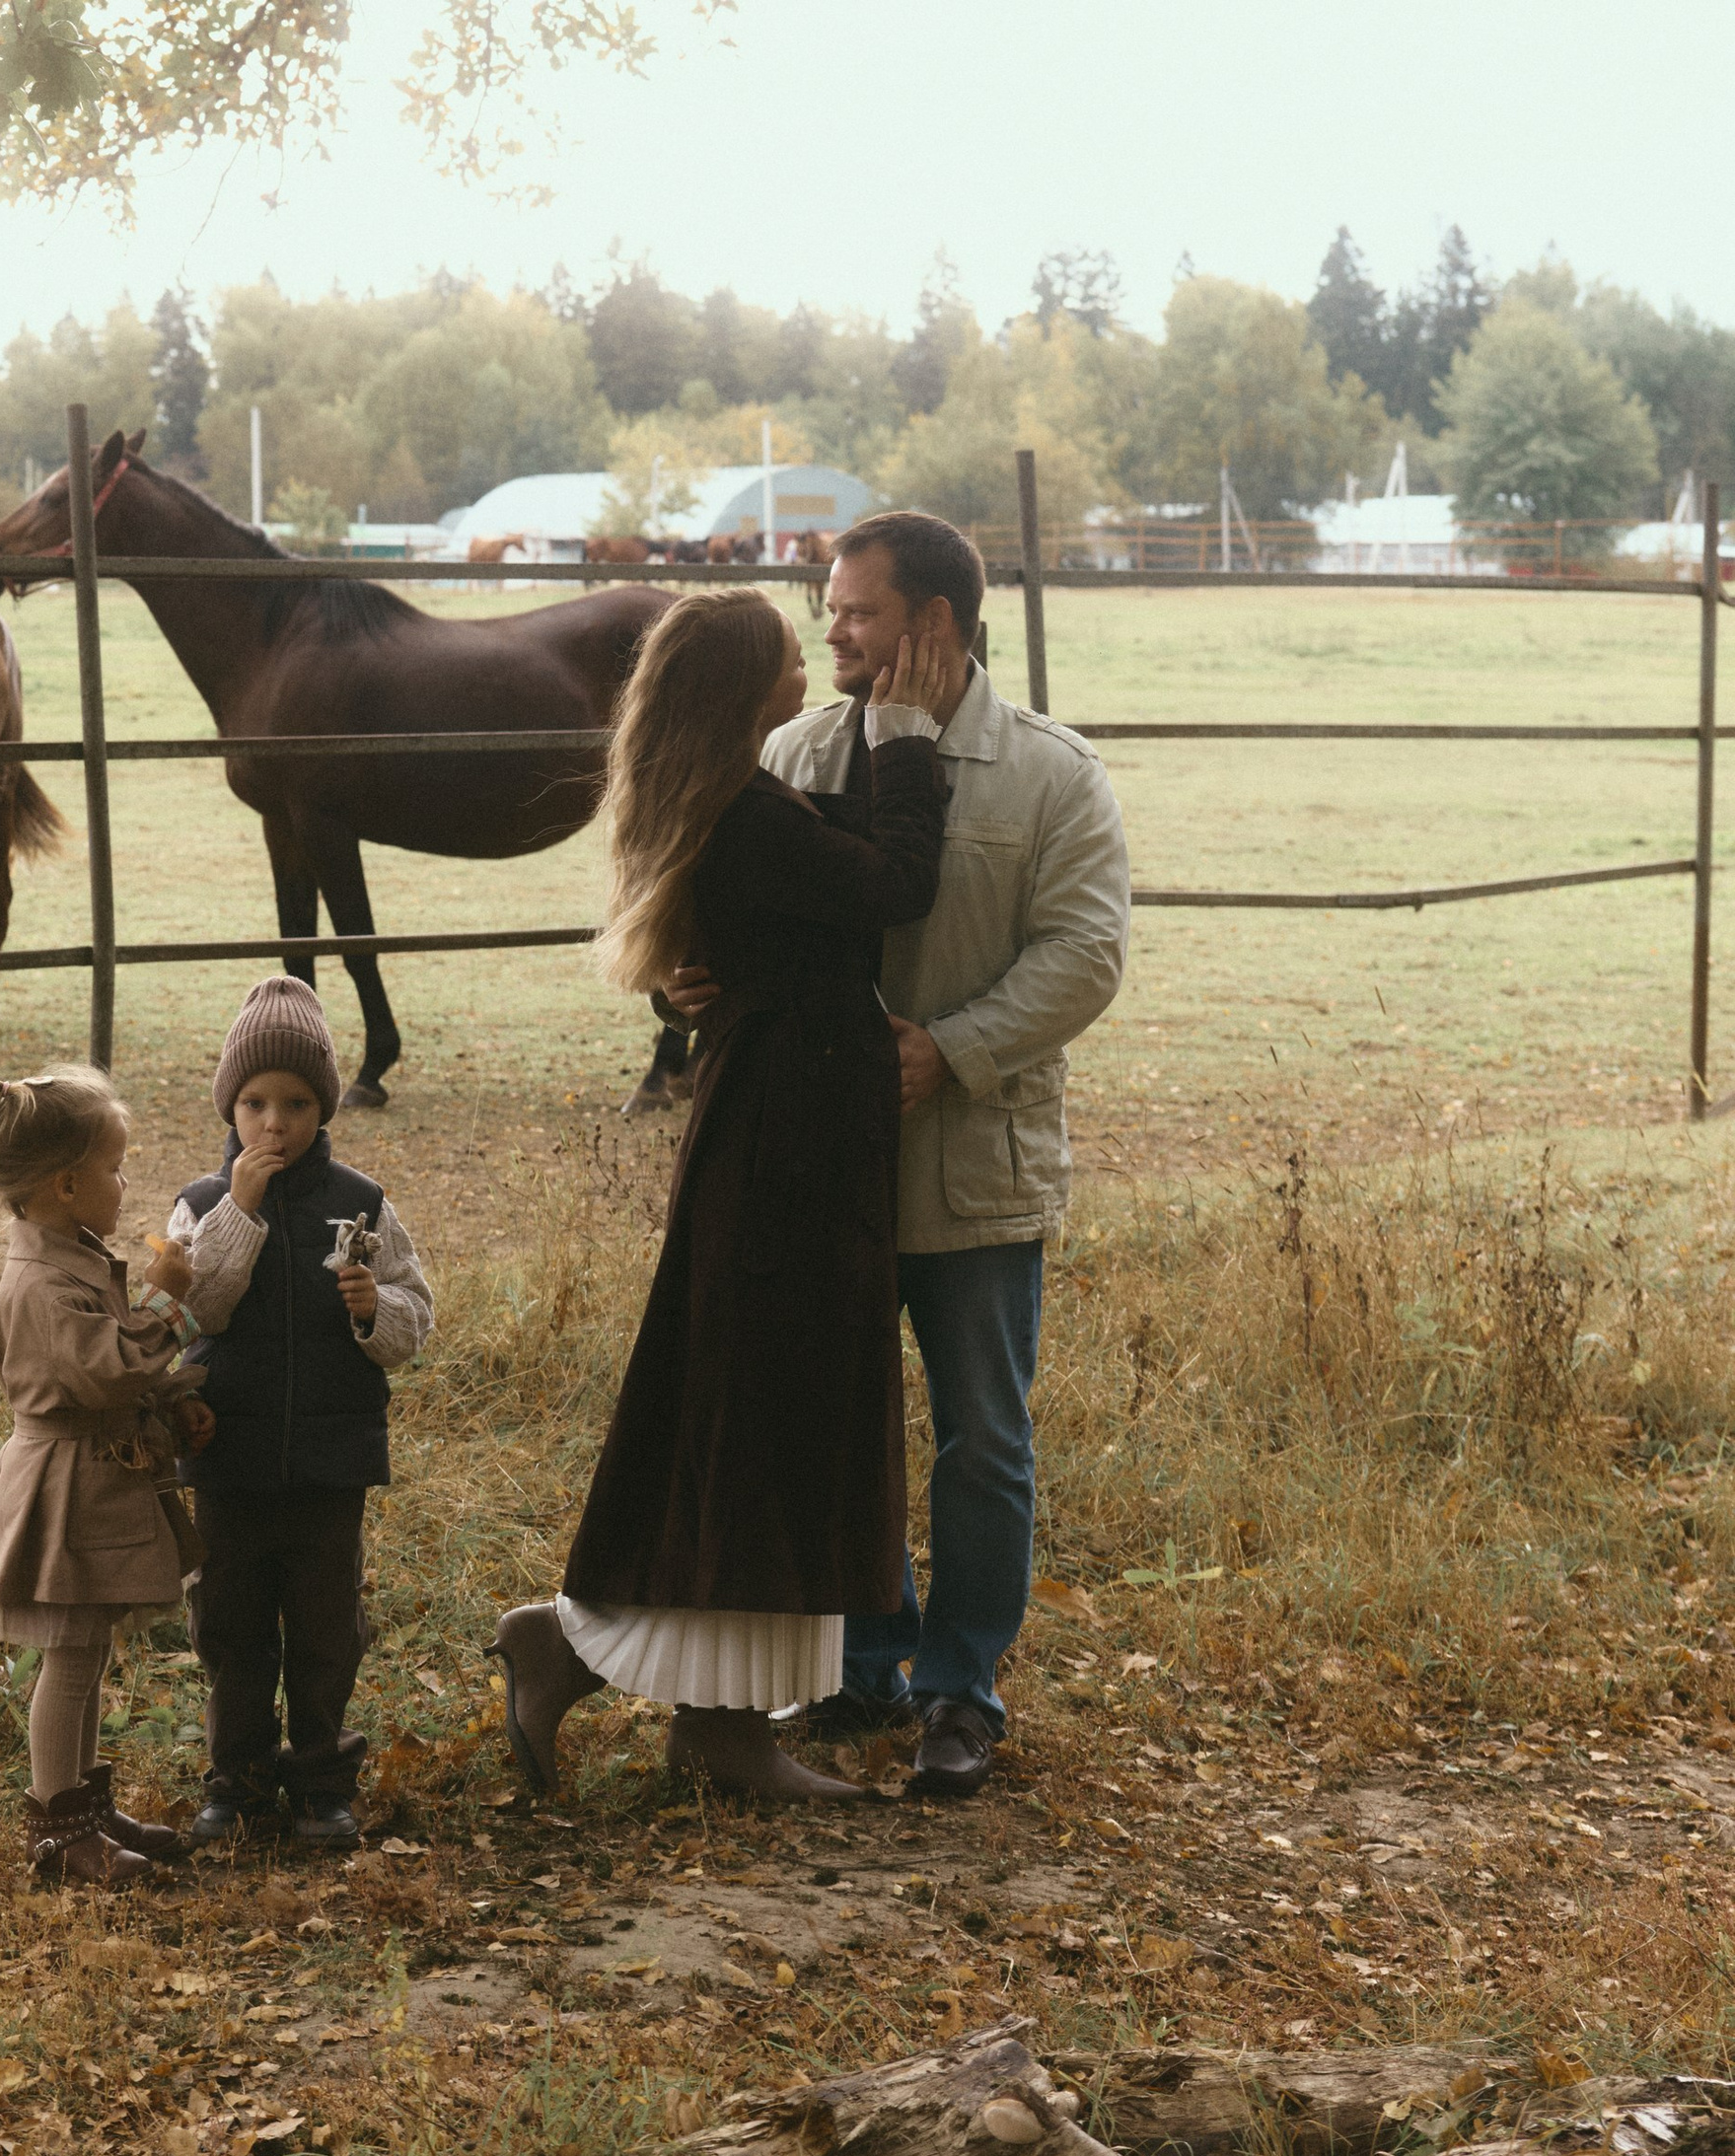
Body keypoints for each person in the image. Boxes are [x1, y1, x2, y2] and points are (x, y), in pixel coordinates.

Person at [670, 509, 1129, 1800]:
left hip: (969, 1168)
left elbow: (1086, 956)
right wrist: (695, 982)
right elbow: (737, 905)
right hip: (818, 1167)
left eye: (857, 611)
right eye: (829, 606)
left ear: (932, 624)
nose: (832, 629)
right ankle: (862, 1662)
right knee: (837, 1420)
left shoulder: (1051, 775)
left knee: (982, 1439)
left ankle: (959, 1690)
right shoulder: (793, 749)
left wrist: (956, 1052)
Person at [488, 587, 953, 1806]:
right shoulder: (746, 816)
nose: (818, 649)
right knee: (760, 1414)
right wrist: (907, 739)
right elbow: (893, 881)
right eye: (797, 646)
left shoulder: (743, 801)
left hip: (788, 1127)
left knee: (758, 1411)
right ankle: (661, 1695)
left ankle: (681, 1704)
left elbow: (835, 850)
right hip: (784, 1142)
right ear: (754, 686)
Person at [159, 976, 435, 1852]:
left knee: (325, 1627)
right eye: (253, 1103)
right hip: (229, 1457)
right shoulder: (201, 1205)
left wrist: (369, 1310)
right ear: (229, 1105)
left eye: (297, 1103)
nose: (273, 1123)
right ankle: (234, 1783)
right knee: (231, 1628)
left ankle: (320, 1781)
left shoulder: (363, 1202)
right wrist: (239, 1211)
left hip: (331, 1458)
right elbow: (200, 1311)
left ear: (325, 1106)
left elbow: (413, 1319)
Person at [0, 1063, 213, 1890]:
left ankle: (84, 1810)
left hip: (90, 1477)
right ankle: (58, 1829)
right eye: (114, 1167)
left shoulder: (71, 1257)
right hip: (62, 1489)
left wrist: (173, 1401)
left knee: (87, 1651)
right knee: (68, 1659)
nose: (124, 1180)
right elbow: (104, 1372)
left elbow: (109, 1374)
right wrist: (168, 1305)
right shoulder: (40, 1283)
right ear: (68, 1185)